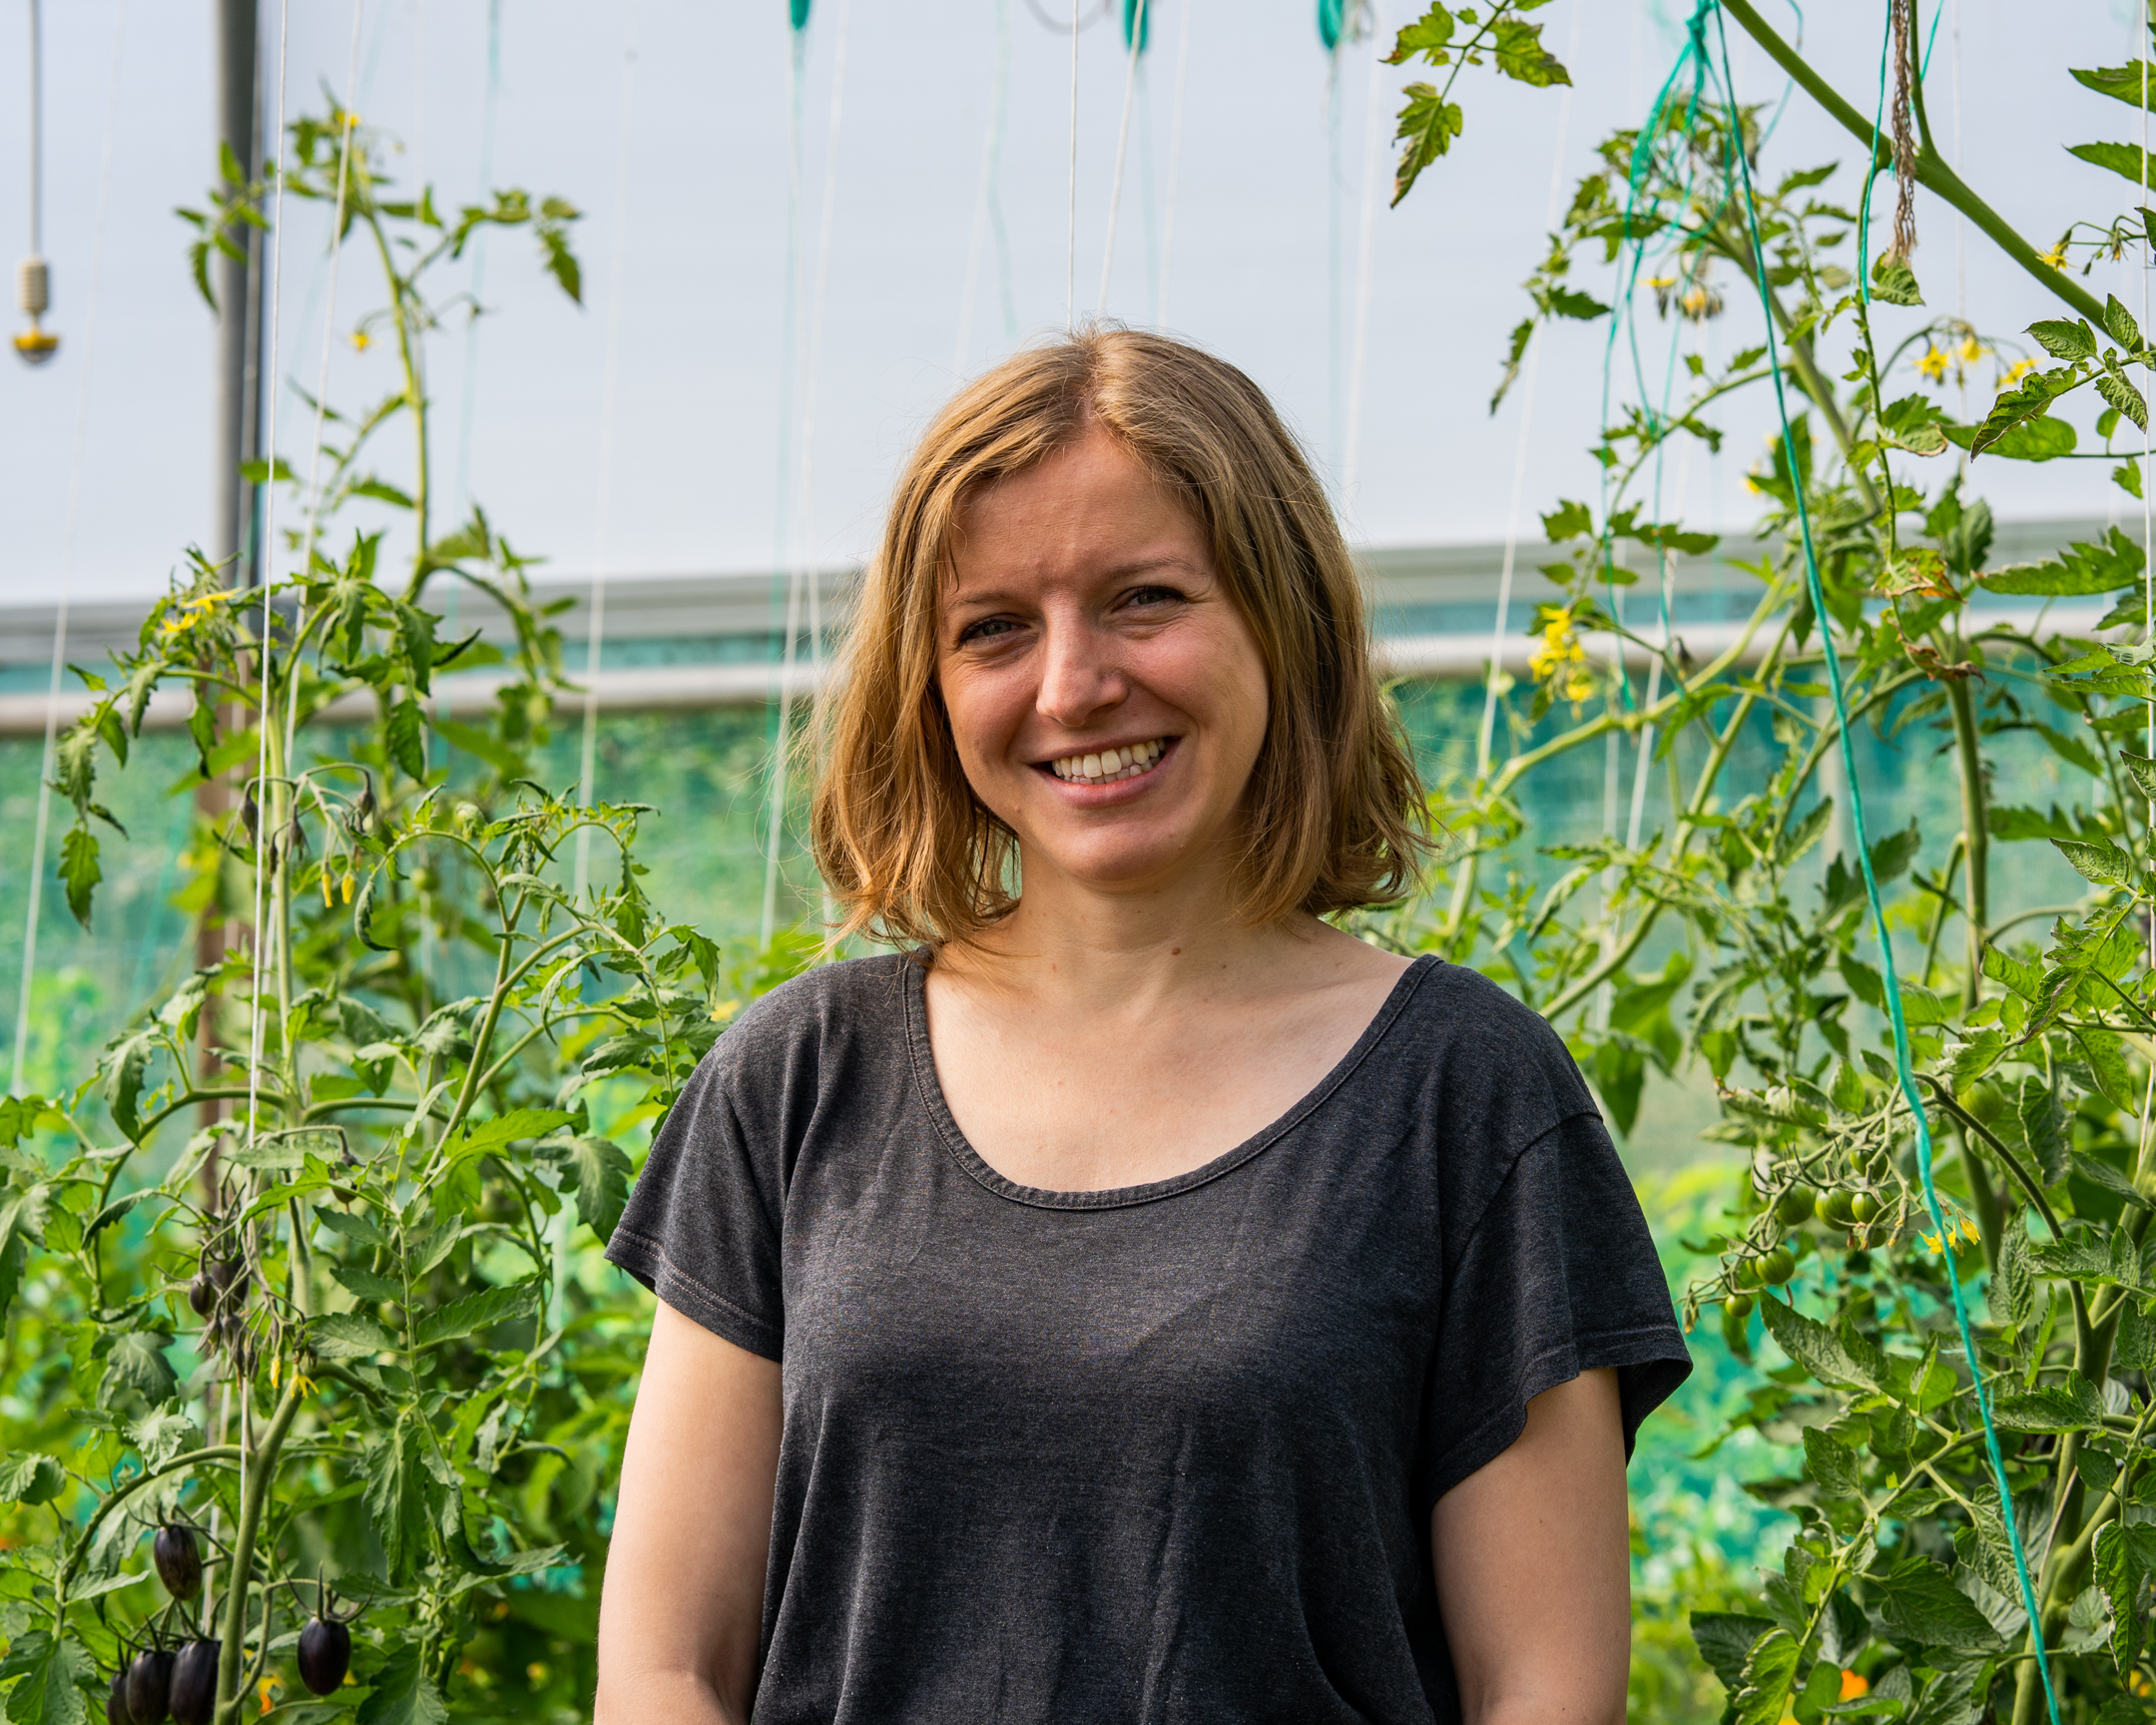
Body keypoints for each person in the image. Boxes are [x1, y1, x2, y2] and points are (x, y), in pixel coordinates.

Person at [594, 328, 1691, 1725]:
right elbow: (666, 1670)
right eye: (994, 627)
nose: (1071, 686)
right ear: (926, 687)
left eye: (1144, 599)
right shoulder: (801, 1082)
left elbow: (1540, 1688)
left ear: (1280, 621)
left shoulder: (1464, 1094)